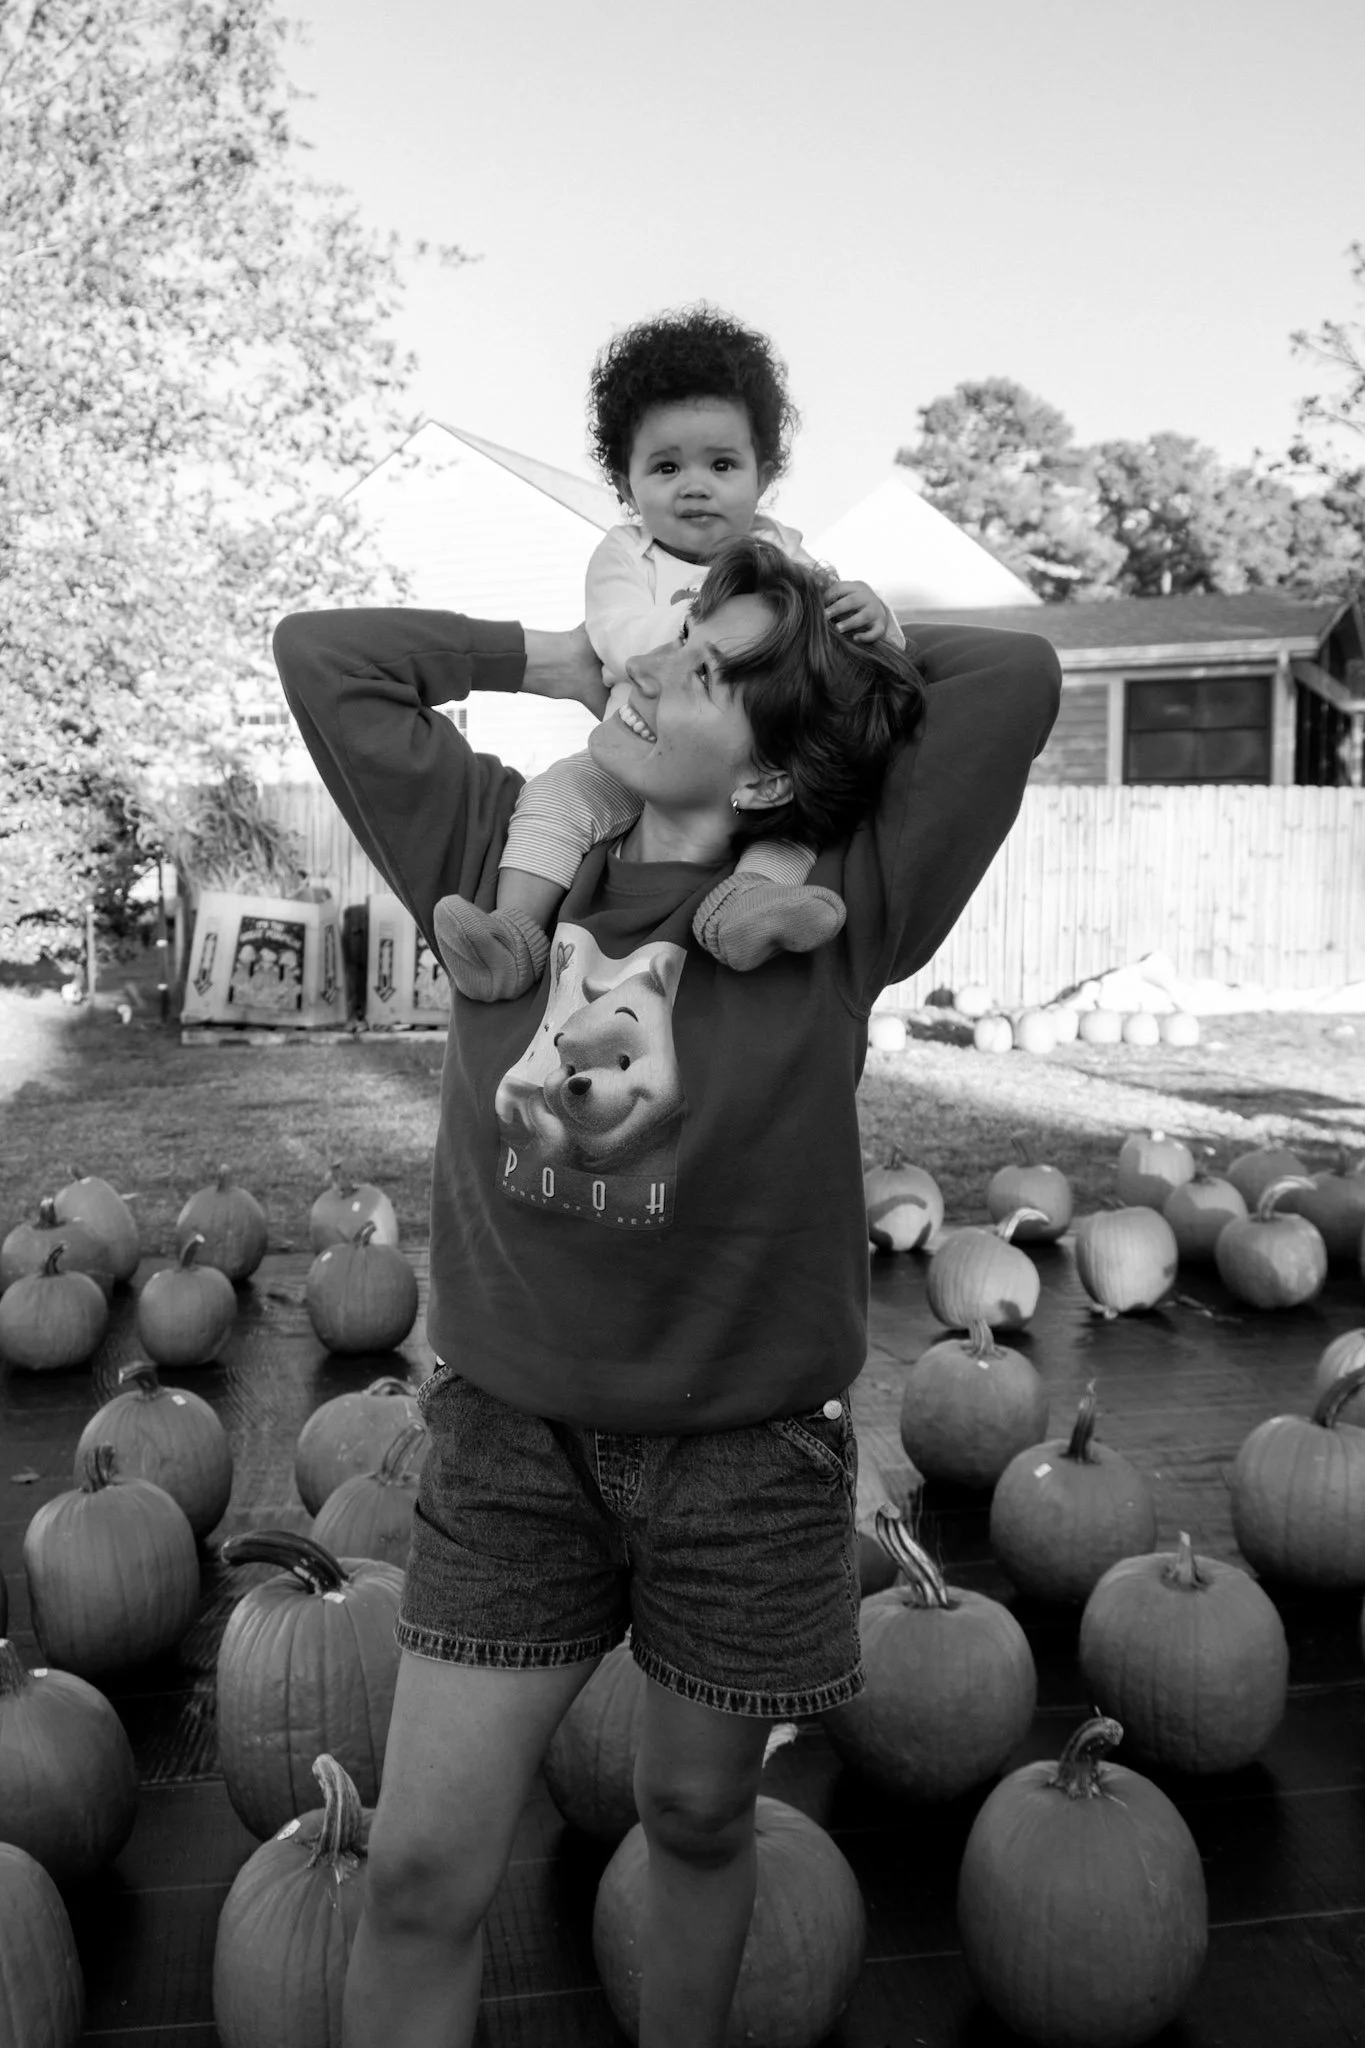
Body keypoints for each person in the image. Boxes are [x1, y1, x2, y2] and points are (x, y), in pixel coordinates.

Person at [272, 535, 1060, 2048]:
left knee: (698, 1817)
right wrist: (554, 659)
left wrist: (858, 624)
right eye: (675, 632)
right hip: (511, 1458)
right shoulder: (500, 857)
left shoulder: (846, 904)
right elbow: (326, 654)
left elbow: (1013, 675)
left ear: (766, 773)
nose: (655, 660)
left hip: (748, 1469)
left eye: (705, 666)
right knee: (421, 1872)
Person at [433, 306, 907, 1002]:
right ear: (625, 487)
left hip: (743, 774)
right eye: (665, 466)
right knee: (557, 795)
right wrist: (709, 624)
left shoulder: (783, 552)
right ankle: (513, 933)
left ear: (764, 474)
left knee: (796, 825)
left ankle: (747, 905)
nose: (694, 484)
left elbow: (843, 658)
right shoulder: (627, 554)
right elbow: (617, 636)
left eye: (722, 464)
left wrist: (877, 618)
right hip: (636, 749)